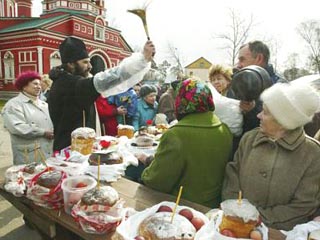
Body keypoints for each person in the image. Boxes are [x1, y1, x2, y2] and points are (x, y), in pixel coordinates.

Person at [222, 82, 320, 230]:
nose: (258, 115)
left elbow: (304, 204)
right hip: (236, 225)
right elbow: (232, 175)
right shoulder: (249, 139)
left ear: (283, 121)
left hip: (280, 233)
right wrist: (236, 212)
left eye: (265, 112)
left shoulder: (312, 153)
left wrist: (258, 219)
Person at [48, 36, 155, 152]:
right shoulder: (70, 84)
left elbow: (112, 82)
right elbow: (111, 77)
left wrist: (143, 60)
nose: (90, 66)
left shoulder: (68, 81)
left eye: (89, 62)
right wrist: (142, 59)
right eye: (85, 62)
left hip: (79, 148)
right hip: (71, 152)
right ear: (70, 64)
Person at [140, 79, 233, 208]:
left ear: (181, 100)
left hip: (182, 208)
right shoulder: (224, 129)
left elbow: (157, 181)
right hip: (214, 206)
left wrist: (145, 167)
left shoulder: (176, 135)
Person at [2, 71, 54, 165]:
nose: (39, 87)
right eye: (35, 84)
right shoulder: (13, 105)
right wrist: (43, 132)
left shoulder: (44, 104)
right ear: (24, 86)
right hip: (28, 156)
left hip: (47, 152)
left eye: (40, 84)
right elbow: (17, 128)